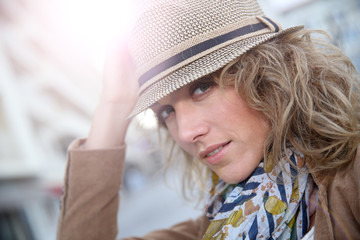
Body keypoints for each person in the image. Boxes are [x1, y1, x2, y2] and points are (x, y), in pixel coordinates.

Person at [56, 0, 360, 239]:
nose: (186, 132)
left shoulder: (351, 177)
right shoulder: (218, 225)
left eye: (202, 87)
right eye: (166, 112)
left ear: (270, 75)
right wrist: (114, 103)